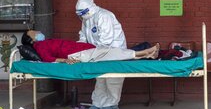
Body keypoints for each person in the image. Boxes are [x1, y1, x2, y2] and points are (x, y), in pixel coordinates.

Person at [75, 0, 128, 109]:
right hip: (98, 53)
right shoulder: (86, 19)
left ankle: (112, 104)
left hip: (114, 52)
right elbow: (83, 36)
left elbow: (106, 41)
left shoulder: (104, 16)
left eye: (83, 13)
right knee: (100, 79)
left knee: (112, 79)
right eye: (80, 14)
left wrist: (91, 52)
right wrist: (79, 48)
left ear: (90, 9)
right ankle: (98, 103)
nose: (82, 16)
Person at [21, 30, 159, 64]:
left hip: (82, 50)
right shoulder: (40, 46)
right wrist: (64, 60)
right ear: (31, 41)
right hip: (79, 55)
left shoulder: (44, 42)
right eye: (34, 33)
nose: (38, 32)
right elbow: (47, 59)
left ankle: (146, 54)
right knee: (113, 53)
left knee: (113, 53)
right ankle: (147, 52)